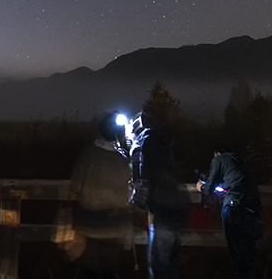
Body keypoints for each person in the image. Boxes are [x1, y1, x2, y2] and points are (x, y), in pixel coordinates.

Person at [68, 111, 134, 279]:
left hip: (88, 223)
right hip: (115, 225)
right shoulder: (125, 160)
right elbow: (130, 194)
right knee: (110, 270)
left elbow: (75, 187)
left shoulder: (87, 155)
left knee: (88, 270)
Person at [131, 111, 190, 279]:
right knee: (172, 265)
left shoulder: (141, 145)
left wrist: (138, 206)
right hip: (180, 207)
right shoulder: (163, 143)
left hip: (164, 210)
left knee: (159, 267)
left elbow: (142, 180)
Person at [197, 150, 263, 279]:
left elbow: (210, 186)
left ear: (217, 152)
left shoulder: (219, 159)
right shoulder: (241, 163)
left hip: (234, 209)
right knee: (249, 258)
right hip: (252, 212)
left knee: (237, 256)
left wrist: (201, 187)